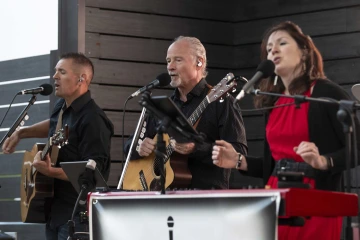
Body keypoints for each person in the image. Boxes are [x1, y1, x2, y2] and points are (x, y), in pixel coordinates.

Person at [212, 21, 360, 239]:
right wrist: (238, 161)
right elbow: (274, 164)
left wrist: (324, 161)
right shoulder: (273, 103)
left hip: (317, 201)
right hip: (276, 199)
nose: (273, 50)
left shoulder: (327, 93)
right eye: (269, 48)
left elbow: (356, 148)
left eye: (282, 43)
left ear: (304, 51)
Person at [2, 53, 114, 240]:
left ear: (81, 79)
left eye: (62, 72)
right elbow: (55, 125)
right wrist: (22, 132)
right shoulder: (62, 106)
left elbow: (94, 175)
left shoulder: (93, 120)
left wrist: (50, 171)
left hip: (76, 217)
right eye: (55, 71)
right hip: (55, 213)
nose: (54, 77)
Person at [124, 36, 248, 189]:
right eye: (168, 61)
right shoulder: (163, 105)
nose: (170, 67)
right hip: (162, 199)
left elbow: (239, 152)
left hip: (205, 199)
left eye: (178, 60)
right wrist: (140, 146)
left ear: (199, 62)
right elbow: (128, 145)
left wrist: (197, 148)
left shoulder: (222, 102)